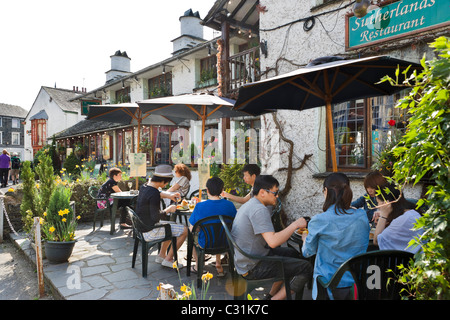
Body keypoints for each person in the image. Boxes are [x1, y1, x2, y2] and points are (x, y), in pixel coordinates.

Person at [231, 175, 312, 300]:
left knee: (292, 254)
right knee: (306, 267)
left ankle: (271, 295)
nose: (277, 196)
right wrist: (295, 225)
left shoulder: (250, 204)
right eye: (275, 193)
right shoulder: (259, 209)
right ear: (263, 192)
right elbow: (273, 241)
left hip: (246, 258)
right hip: (253, 265)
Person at [302, 172, 370, 300]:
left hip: (328, 284)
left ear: (326, 191)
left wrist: (305, 239)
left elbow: (307, 252)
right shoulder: (362, 216)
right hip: (356, 282)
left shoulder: (319, 220)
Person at [135, 164, 188, 269]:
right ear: (163, 180)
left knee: (171, 226)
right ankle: (168, 259)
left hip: (141, 227)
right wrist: (168, 210)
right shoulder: (154, 193)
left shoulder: (144, 186)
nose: (166, 185)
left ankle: (161, 255)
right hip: (150, 231)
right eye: (167, 182)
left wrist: (169, 195)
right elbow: (156, 217)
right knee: (185, 230)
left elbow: (156, 193)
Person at [188, 177, 237, 276]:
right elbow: (235, 224)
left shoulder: (200, 206)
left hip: (206, 244)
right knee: (220, 231)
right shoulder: (230, 205)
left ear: (207, 190)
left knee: (192, 238)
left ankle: (198, 266)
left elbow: (191, 229)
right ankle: (218, 263)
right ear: (222, 190)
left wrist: (200, 227)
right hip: (225, 243)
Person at [373, 182, 423, 254]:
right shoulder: (410, 213)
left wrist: (383, 216)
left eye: (378, 202)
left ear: (386, 203)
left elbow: (377, 241)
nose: (377, 206)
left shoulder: (403, 220)